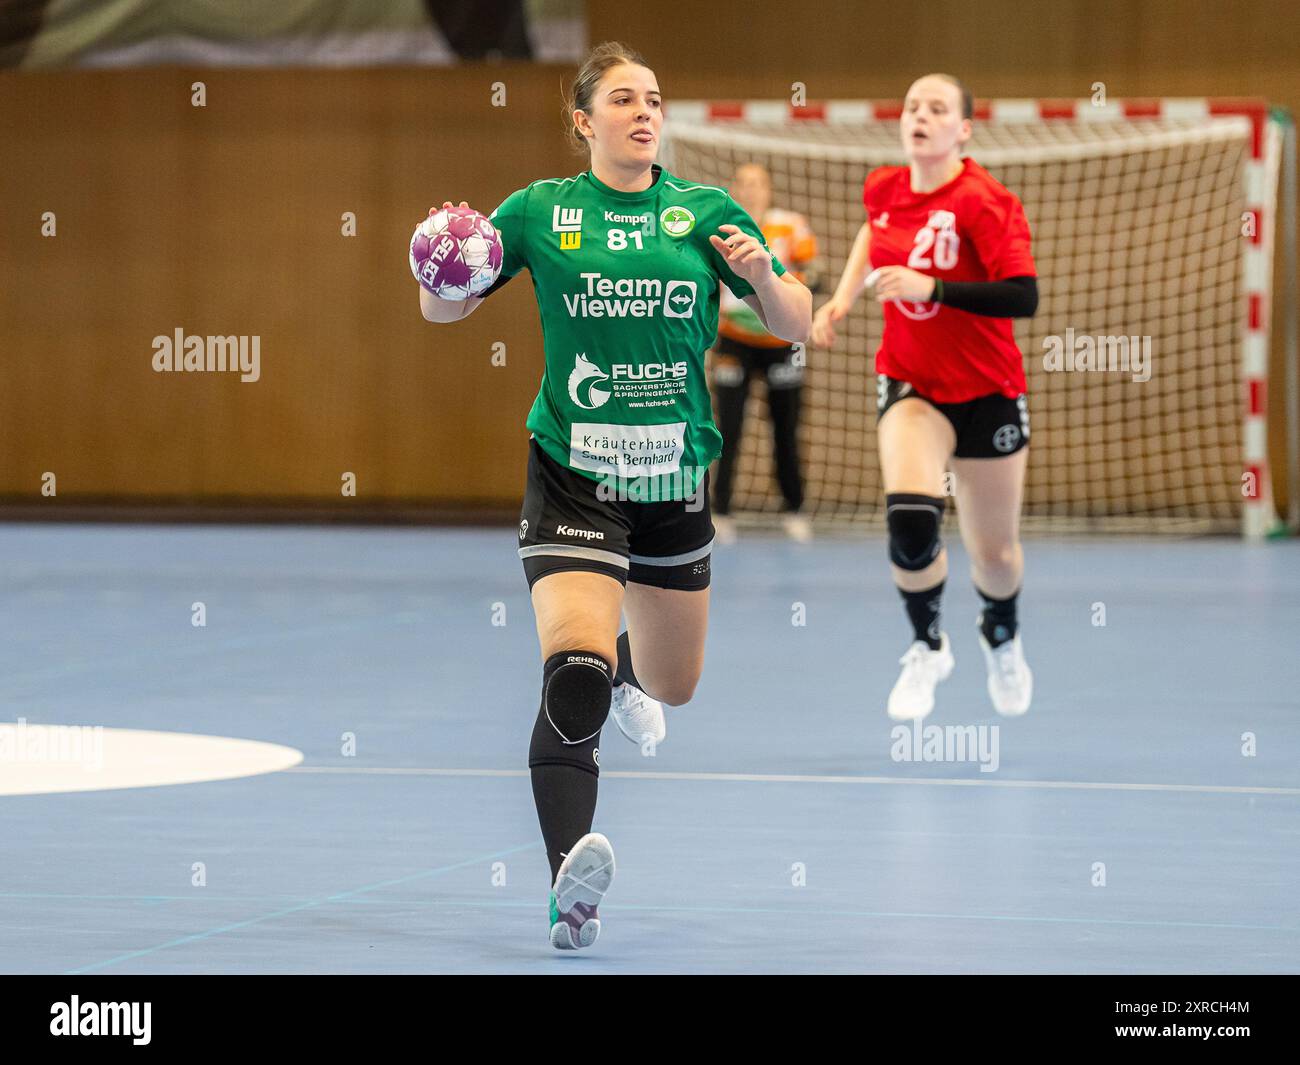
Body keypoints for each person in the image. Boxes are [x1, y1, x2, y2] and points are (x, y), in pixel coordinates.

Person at [417, 41, 810, 950]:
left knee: (674, 682)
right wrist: (441, 268)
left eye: (655, 99)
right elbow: (448, 309)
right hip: (573, 475)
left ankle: (634, 667)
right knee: (575, 668)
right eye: (625, 99)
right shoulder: (542, 213)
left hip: (674, 480)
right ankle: (569, 885)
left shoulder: (702, 213)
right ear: (585, 121)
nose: (645, 112)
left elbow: (793, 328)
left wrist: (759, 275)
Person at [812, 73, 1038, 722]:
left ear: (962, 129)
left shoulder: (986, 201)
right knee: (911, 523)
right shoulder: (884, 187)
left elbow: (1024, 296)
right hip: (911, 382)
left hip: (988, 390)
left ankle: (1000, 630)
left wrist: (932, 287)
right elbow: (871, 233)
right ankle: (927, 643)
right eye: (913, 105)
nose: (921, 115)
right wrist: (842, 298)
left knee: (994, 554)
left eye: (938, 108)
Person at [711, 163, 819, 543]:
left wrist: (785, 294)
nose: (751, 190)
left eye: (757, 183)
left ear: (769, 188)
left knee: (786, 429)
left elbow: (814, 275)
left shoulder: (790, 226)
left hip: (782, 345)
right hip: (734, 341)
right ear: (734, 188)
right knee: (730, 427)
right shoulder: (721, 226)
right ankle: (721, 511)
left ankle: (795, 509)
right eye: (742, 182)